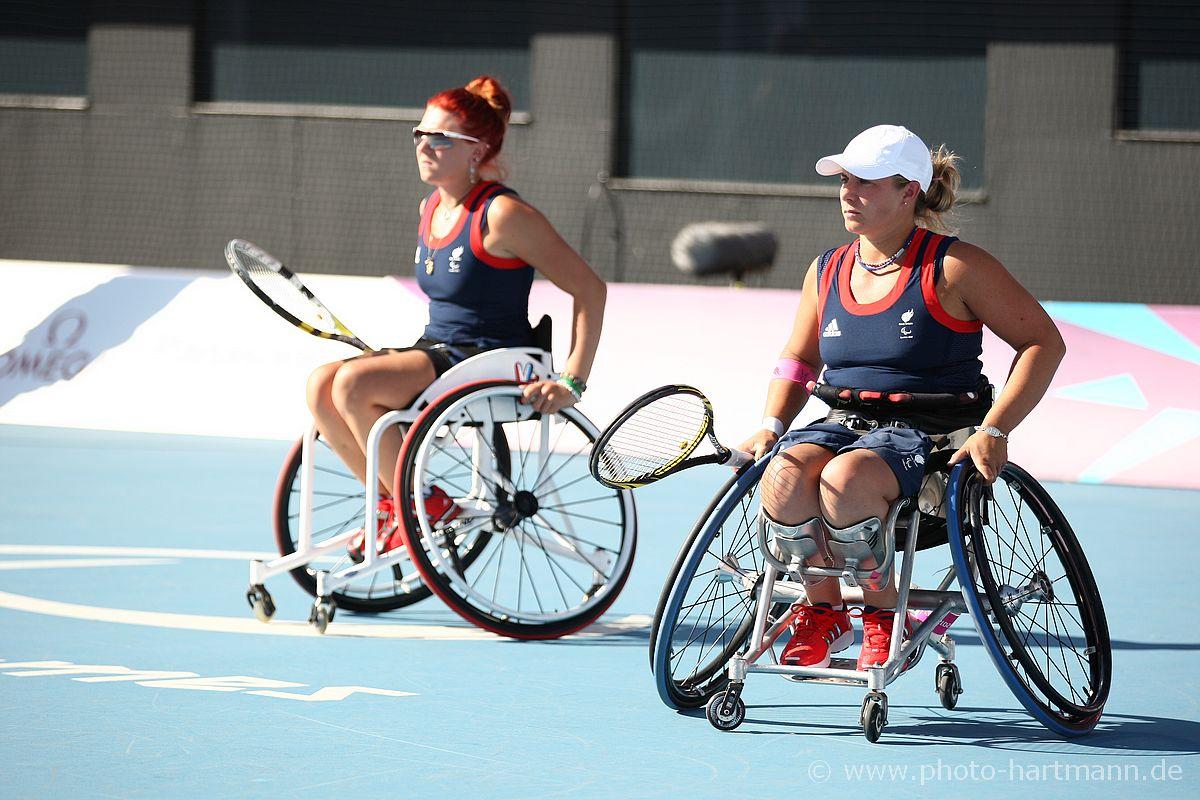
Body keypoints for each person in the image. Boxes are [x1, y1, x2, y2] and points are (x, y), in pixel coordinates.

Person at [738, 124, 1066, 670]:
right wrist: (772, 423)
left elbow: (1043, 343)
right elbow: (798, 361)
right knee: (784, 472)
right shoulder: (825, 270)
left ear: (908, 191)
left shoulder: (956, 267)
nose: (848, 193)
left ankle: (884, 618)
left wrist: (996, 430)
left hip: (934, 439)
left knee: (846, 481)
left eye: (865, 182)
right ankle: (825, 613)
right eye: (845, 180)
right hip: (847, 425)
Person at [306, 75, 607, 558]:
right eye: (420, 134)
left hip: (493, 356)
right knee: (321, 383)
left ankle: (419, 504)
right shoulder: (431, 206)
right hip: (441, 350)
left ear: (477, 149)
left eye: (441, 138)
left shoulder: (503, 214)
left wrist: (573, 379)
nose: (425, 145)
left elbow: (590, 289)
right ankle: (395, 503)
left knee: (350, 386)